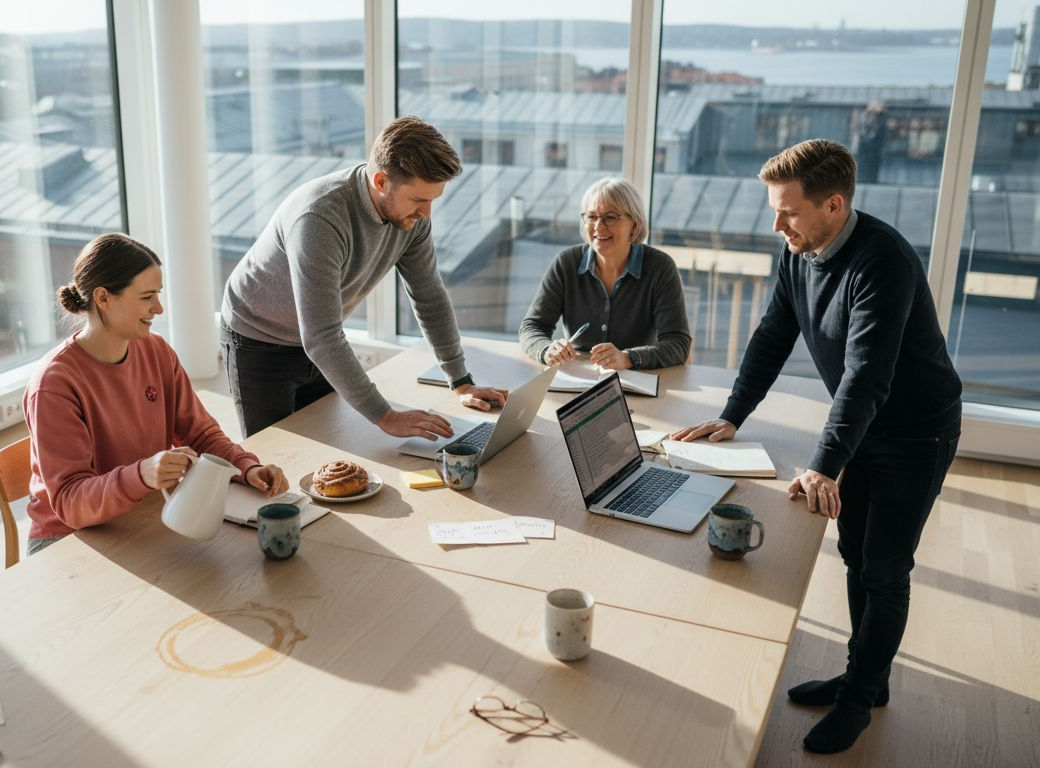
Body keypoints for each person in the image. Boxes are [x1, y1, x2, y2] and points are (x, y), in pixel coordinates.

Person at [670, 140, 962, 754]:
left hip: (915, 430)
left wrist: (826, 463)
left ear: (834, 204)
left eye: (789, 212)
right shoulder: (798, 250)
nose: (776, 225)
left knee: (884, 569)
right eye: (773, 210)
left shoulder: (883, 261)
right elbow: (774, 333)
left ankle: (859, 698)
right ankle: (868, 676)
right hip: (864, 427)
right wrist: (731, 415)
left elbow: (866, 376)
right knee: (856, 553)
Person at [220, 116, 508, 438]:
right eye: (419, 200)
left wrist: (460, 381)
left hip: (317, 341)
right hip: (258, 340)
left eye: (432, 200)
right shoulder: (319, 218)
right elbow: (322, 336)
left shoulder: (413, 219)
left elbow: (429, 296)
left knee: (325, 448)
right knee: (273, 461)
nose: (427, 214)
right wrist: (387, 417)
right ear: (382, 181)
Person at [25, 233, 288, 556]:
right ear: (103, 298)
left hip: (139, 515)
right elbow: (70, 502)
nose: (159, 308)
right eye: (147, 296)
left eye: (158, 295)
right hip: (66, 540)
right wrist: (141, 474)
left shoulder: (156, 352)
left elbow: (201, 433)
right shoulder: (54, 383)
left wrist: (246, 468)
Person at [518, 177, 691, 369]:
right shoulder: (566, 263)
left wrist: (628, 358)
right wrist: (546, 350)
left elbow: (678, 343)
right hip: (577, 378)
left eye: (610, 217)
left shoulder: (660, 267)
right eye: (591, 217)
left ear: (634, 224)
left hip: (634, 380)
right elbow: (531, 327)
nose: (598, 226)